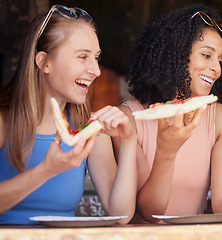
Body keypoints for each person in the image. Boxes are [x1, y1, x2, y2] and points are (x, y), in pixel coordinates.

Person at [115, 3, 222, 223]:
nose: (216, 68)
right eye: (207, 56)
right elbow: (148, 211)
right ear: (175, 54)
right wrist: (166, 152)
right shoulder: (130, 117)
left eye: (220, 60)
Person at [0, 5, 137, 224]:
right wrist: (46, 170)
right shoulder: (4, 122)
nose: (96, 70)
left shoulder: (89, 129)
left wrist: (129, 141)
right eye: (82, 57)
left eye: (96, 58)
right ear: (44, 62)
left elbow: (121, 215)